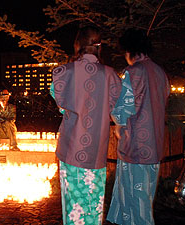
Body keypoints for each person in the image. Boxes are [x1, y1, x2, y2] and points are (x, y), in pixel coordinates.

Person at [52, 26, 121, 225]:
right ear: (99, 46)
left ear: (78, 45)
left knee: (72, 204)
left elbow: (60, 103)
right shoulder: (110, 75)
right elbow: (122, 107)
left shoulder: (63, 72)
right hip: (96, 150)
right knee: (94, 203)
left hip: (71, 148)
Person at [106, 28, 170, 225]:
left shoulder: (133, 72)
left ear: (129, 50)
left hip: (135, 146)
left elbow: (120, 110)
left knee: (135, 203)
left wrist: (118, 123)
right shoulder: (160, 73)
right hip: (154, 145)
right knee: (144, 198)